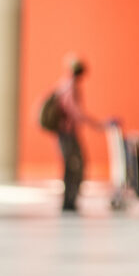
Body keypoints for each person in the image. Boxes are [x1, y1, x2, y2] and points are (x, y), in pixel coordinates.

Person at [45, 57, 95, 214]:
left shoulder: (63, 85)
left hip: (65, 134)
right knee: (74, 166)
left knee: (71, 166)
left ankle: (70, 200)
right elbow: (75, 112)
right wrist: (98, 124)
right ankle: (69, 201)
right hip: (67, 135)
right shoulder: (70, 88)